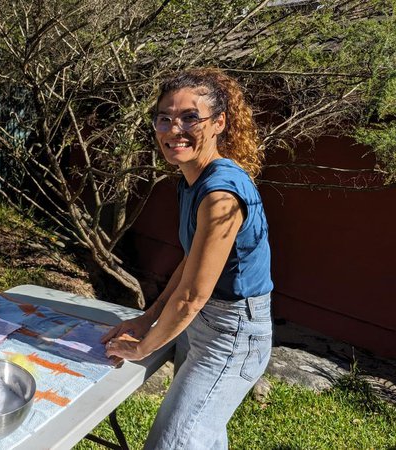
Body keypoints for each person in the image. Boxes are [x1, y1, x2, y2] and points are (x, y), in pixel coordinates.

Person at [102, 68, 273, 449]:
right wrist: (148, 317)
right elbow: (191, 263)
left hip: (231, 334)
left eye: (189, 117)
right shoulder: (191, 180)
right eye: (164, 118)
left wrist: (142, 349)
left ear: (219, 124)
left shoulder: (220, 194)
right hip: (202, 322)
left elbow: (193, 294)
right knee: (202, 437)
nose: (173, 128)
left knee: (173, 441)